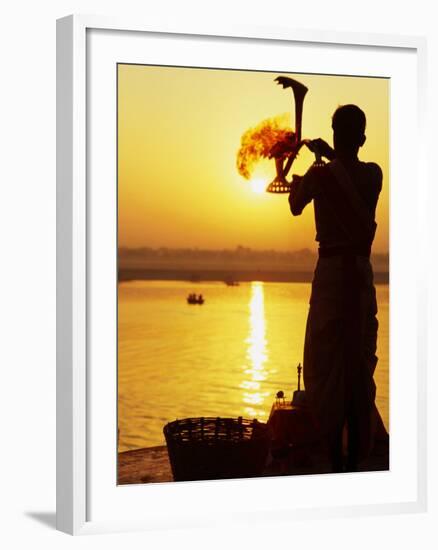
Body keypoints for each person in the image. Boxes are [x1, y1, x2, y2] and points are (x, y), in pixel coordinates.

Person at [288, 104, 385, 472]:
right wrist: (328, 159)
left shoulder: (320, 175)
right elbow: (347, 175)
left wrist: (303, 180)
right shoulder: (372, 174)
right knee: (357, 366)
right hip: (359, 277)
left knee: (326, 367)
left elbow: (295, 205)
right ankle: (357, 457)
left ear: (333, 134)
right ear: (361, 138)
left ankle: (330, 456)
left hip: (331, 279)